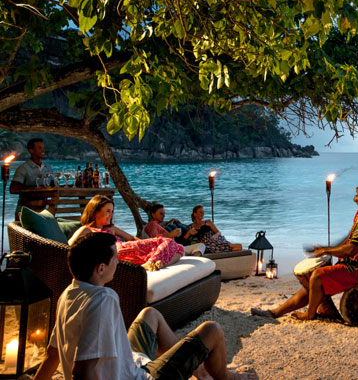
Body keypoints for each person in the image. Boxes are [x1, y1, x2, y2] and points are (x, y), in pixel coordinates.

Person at [33, 231, 256, 380]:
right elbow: (82, 371)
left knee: (150, 314)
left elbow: (52, 355)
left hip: (130, 364)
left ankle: (204, 376)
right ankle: (227, 377)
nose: (118, 262)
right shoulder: (103, 299)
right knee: (212, 330)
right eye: (115, 259)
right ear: (100, 268)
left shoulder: (69, 293)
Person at [251, 180, 358, 320]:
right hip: (353, 266)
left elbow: (351, 250)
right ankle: (275, 313)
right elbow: (350, 241)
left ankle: (310, 314)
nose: (357, 189)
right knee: (311, 286)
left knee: (316, 276)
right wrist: (326, 249)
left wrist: (326, 251)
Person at [69, 195, 184, 271]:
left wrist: (149, 243)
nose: (111, 215)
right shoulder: (87, 229)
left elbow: (132, 239)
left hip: (128, 249)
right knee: (168, 242)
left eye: (112, 211)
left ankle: (152, 264)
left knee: (179, 249)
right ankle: (151, 263)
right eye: (107, 211)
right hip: (116, 252)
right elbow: (67, 247)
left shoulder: (111, 228)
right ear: (95, 212)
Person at [10, 138, 54, 218]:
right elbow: (13, 189)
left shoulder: (48, 167)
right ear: (31, 150)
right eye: (40, 148)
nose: (43, 150)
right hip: (25, 212)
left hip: (43, 213)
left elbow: (53, 185)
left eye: (43, 147)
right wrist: (36, 188)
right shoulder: (23, 168)